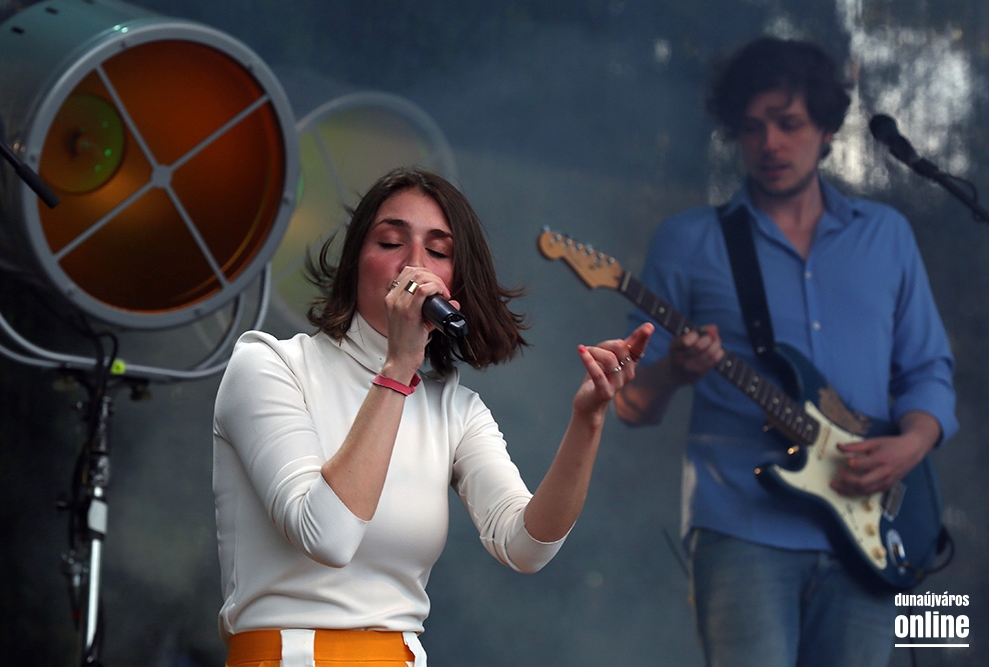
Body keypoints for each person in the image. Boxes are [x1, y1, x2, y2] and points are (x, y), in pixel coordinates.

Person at [213, 166, 654, 666]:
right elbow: (327, 536)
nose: (414, 266)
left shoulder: (454, 408)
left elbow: (526, 546)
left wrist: (588, 420)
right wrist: (398, 367)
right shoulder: (270, 365)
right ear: (355, 261)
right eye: (390, 242)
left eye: (438, 252)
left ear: (454, 286)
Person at [614, 37, 957, 666]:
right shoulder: (689, 242)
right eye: (752, 128)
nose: (769, 143)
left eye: (788, 123)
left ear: (826, 129)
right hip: (742, 528)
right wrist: (673, 372)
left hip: (872, 528)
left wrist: (910, 445)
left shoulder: (886, 237)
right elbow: (629, 404)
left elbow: (927, 370)